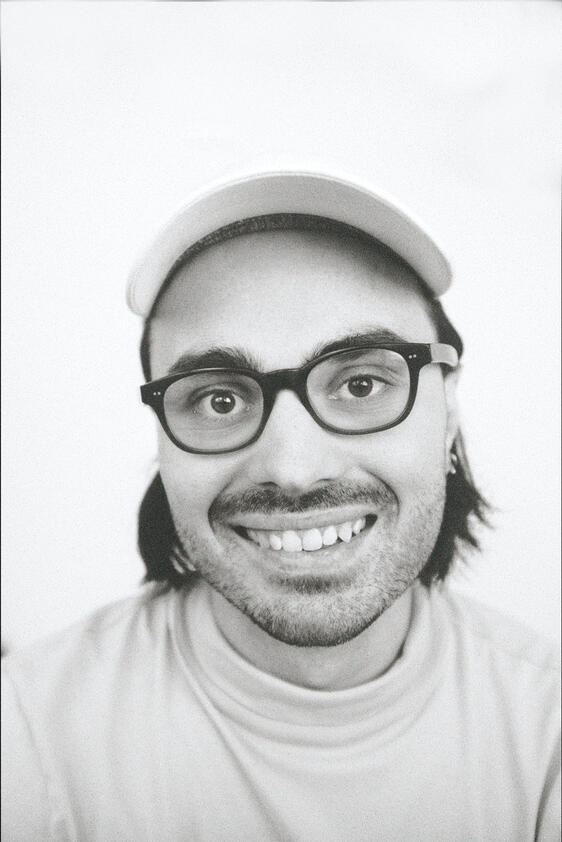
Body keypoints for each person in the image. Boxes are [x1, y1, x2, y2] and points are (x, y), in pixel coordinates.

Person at [2, 168, 560, 842]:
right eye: (220, 399)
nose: (294, 470)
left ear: (448, 411)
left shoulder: (546, 736)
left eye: (361, 383)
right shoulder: (29, 733)